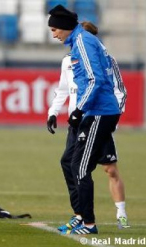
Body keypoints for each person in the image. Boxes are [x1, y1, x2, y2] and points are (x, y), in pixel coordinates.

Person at [47, 21, 130, 231]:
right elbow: (63, 89)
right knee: (70, 163)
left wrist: (112, 122)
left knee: (109, 169)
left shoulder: (107, 61)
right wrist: (53, 112)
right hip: (77, 123)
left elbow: (120, 91)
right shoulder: (68, 61)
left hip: (98, 119)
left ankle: (120, 213)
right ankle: (80, 214)